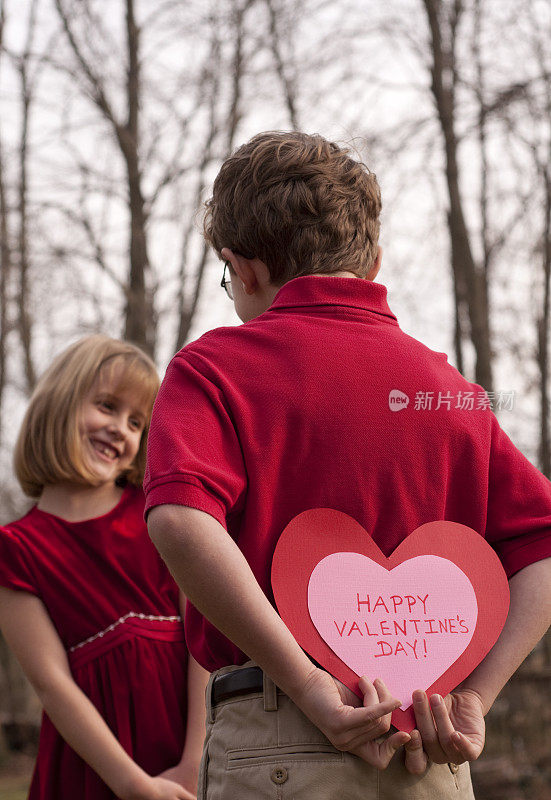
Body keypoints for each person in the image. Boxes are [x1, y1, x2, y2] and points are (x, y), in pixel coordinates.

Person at [144, 132, 551, 799]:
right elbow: (539, 549)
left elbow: (183, 523)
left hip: (276, 742)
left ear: (241, 269)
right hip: (430, 752)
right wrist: (475, 696)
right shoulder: (447, 390)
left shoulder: (213, 371)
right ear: (372, 261)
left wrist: (307, 685)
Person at [0, 335, 209, 800]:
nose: (121, 428)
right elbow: (51, 684)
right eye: (107, 407)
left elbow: (202, 638)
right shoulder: (14, 548)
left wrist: (196, 761)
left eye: (137, 422)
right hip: (95, 766)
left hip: (186, 742)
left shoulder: (158, 512)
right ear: (60, 403)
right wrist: (131, 785)